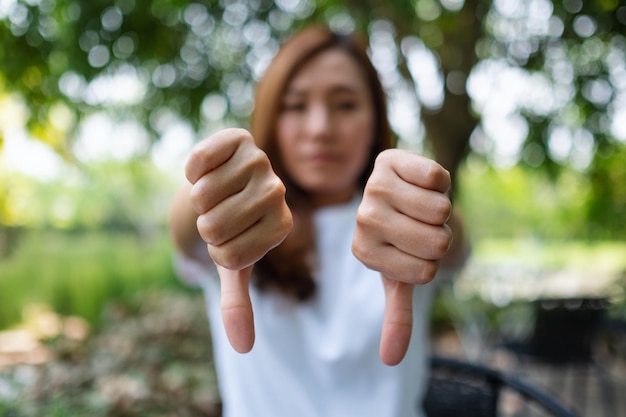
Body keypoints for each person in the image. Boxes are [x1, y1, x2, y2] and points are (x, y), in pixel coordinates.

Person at [169, 25, 466, 417]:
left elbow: (455, 242)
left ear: (376, 119)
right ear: (271, 119)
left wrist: (432, 206)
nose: (320, 128)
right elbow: (184, 232)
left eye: (345, 105)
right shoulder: (239, 221)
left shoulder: (403, 220)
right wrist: (208, 190)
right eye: (295, 106)